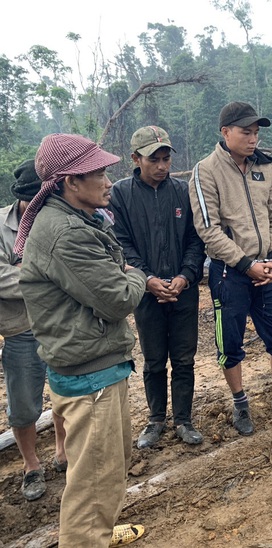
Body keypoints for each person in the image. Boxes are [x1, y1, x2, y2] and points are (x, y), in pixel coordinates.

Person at [16, 134, 146, 546]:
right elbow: (119, 297)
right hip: (90, 378)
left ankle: (97, 531)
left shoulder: (76, 221)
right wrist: (140, 273)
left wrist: (124, 272)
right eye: (100, 173)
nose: (109, 181)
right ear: (70, 181)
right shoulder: (65, 234)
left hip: (98, 367)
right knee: (94, 481)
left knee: (106, 466)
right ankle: (87, 535)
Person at [189, 102, 272, 437]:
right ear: (226, 132)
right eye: (246, 132)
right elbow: (208, 229)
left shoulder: (265, 169)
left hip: (267, 270)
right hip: (231, 273)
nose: (253, 139)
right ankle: (240, 403)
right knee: (229, 342)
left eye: (257, 132)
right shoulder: (206, 171)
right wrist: (247, 265)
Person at [109, 126, 206, 449]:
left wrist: (186, 275)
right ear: (136, 159)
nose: (162, 166)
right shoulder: (121, 194)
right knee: (153, 360)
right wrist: (148, 279)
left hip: (183, 289)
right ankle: (155, 419)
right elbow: (121, 244)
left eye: (166, 159)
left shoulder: (182, 191)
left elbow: (195, 240)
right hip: (145, 293)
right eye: (154, 160)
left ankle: (183, 419)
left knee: (184, 358)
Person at [0, 160, 66, 501]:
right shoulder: (0, 224)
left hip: (59, 324)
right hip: (21, 328)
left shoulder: (58, 218)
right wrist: (45, 277)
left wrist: (33, 274)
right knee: (24, 404)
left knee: (64, 392)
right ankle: (30, 465)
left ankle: (61, 451)